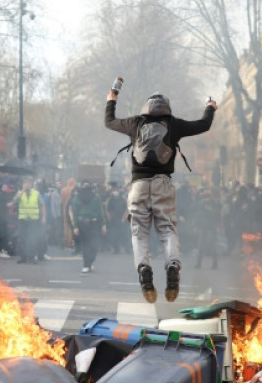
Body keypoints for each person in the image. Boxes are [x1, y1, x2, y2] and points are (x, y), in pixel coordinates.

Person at [105, 86, 216, 303]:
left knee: (139, 232)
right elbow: (204, 124)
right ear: (167, 108)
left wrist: (112, 99)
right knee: (167, 229)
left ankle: (144, 271)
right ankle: (172, 266)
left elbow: (109, 121)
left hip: (138, 185)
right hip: (163, 184)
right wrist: (210, 107)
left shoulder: (135, 123)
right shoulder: (174, 124)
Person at [69, 182, 106, 274]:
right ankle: (86, 265)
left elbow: (100, 212)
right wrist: (76, 227)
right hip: (82, 224)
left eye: (87, 185)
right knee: (85, 246)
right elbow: (75, 214)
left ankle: (90, 261)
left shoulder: (96, 198)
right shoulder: (76, 199)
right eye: (83, 185)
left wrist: (103, 224)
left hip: (94, 224)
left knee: (94, 245)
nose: (85, 187)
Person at [15, 179, 45, 264]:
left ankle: (32, 257)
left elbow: (42, 205)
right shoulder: (19, 193)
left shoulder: (36, 193)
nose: (26, 185)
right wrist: (22, 191)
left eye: (28, 183)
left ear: (31, 184)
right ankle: (23, 257)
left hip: (33, 219)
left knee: (32, 238)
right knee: (22, 238)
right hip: (23, 219)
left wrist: (44, 218)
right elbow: (15, 201)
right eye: (25, 183)